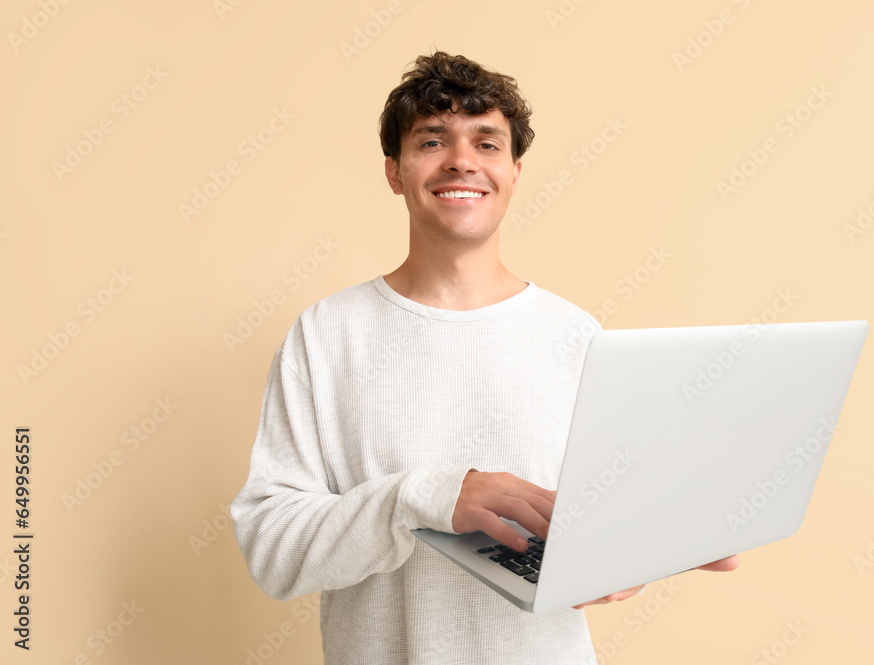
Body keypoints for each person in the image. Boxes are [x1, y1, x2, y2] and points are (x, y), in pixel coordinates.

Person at [230, 49, 738, 665]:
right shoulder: (325, 334)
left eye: (487, 143)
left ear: (516, 171)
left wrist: (639, 554)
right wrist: (424, 498)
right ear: (394, 171)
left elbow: (611, 520)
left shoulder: (575, 336)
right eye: (433, 140)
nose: (462, 161)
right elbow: (272, 551)